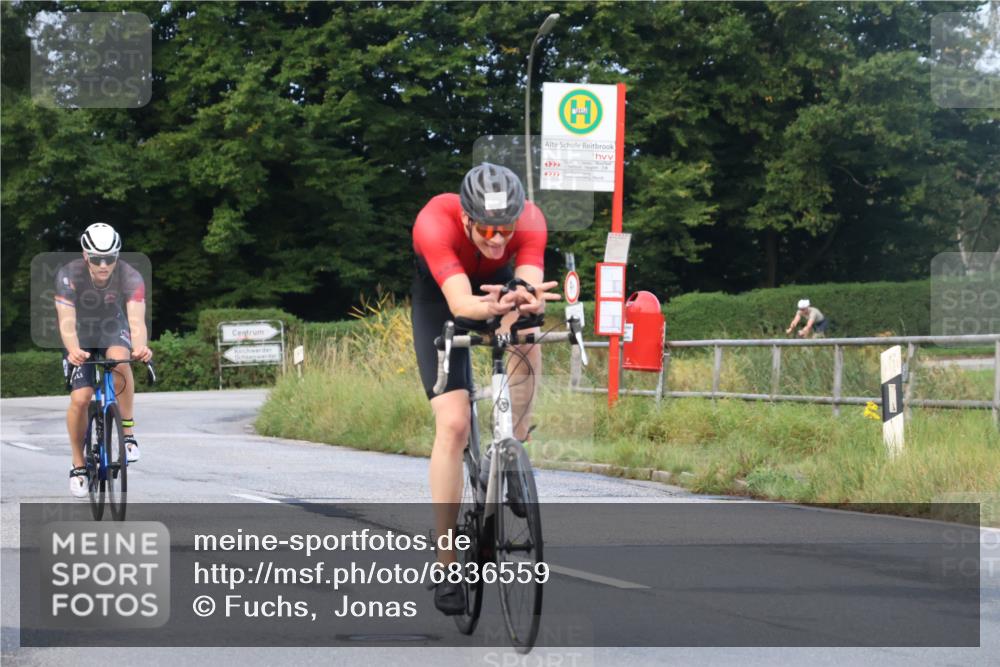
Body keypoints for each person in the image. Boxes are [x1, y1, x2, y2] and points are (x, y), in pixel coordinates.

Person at [411, 163, 559, 615]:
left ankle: (513, 444)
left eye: (506, 229)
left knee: (527, 335)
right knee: (454, 425)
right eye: (488, 229)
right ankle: (447, 563)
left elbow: (529, 282)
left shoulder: (530, 220)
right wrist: (486, 307)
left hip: (500, 287)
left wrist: (527, 301)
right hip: (444, 298)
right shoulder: (434, 222)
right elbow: (459, 303)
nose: (498, 239)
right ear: (467, 220)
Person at [54, 223, 152, 498]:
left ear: (117, 256)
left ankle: (128, 433)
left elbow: (135, 320)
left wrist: (141, 345)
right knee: (81, 398)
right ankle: (78, 464)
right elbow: (66, 322)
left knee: (121, 360)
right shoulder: (68, 275)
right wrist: (73, 350)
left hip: (110, 325)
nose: (103, 264)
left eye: (110, 258)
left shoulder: (130, 276)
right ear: (86, 255)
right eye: (97, 258)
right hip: (79, 332)